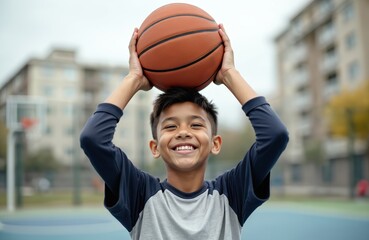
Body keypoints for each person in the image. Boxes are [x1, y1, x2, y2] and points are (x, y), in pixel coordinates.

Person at [80, 24, 289, 239]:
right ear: (155, 147)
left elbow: (275, 136)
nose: (183, 132)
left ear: (215, 143)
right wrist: (132, 79)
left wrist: (229, 74)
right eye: (170, 126)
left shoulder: (232, 193)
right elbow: (93, 139)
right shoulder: (140, 195)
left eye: (196, 125)